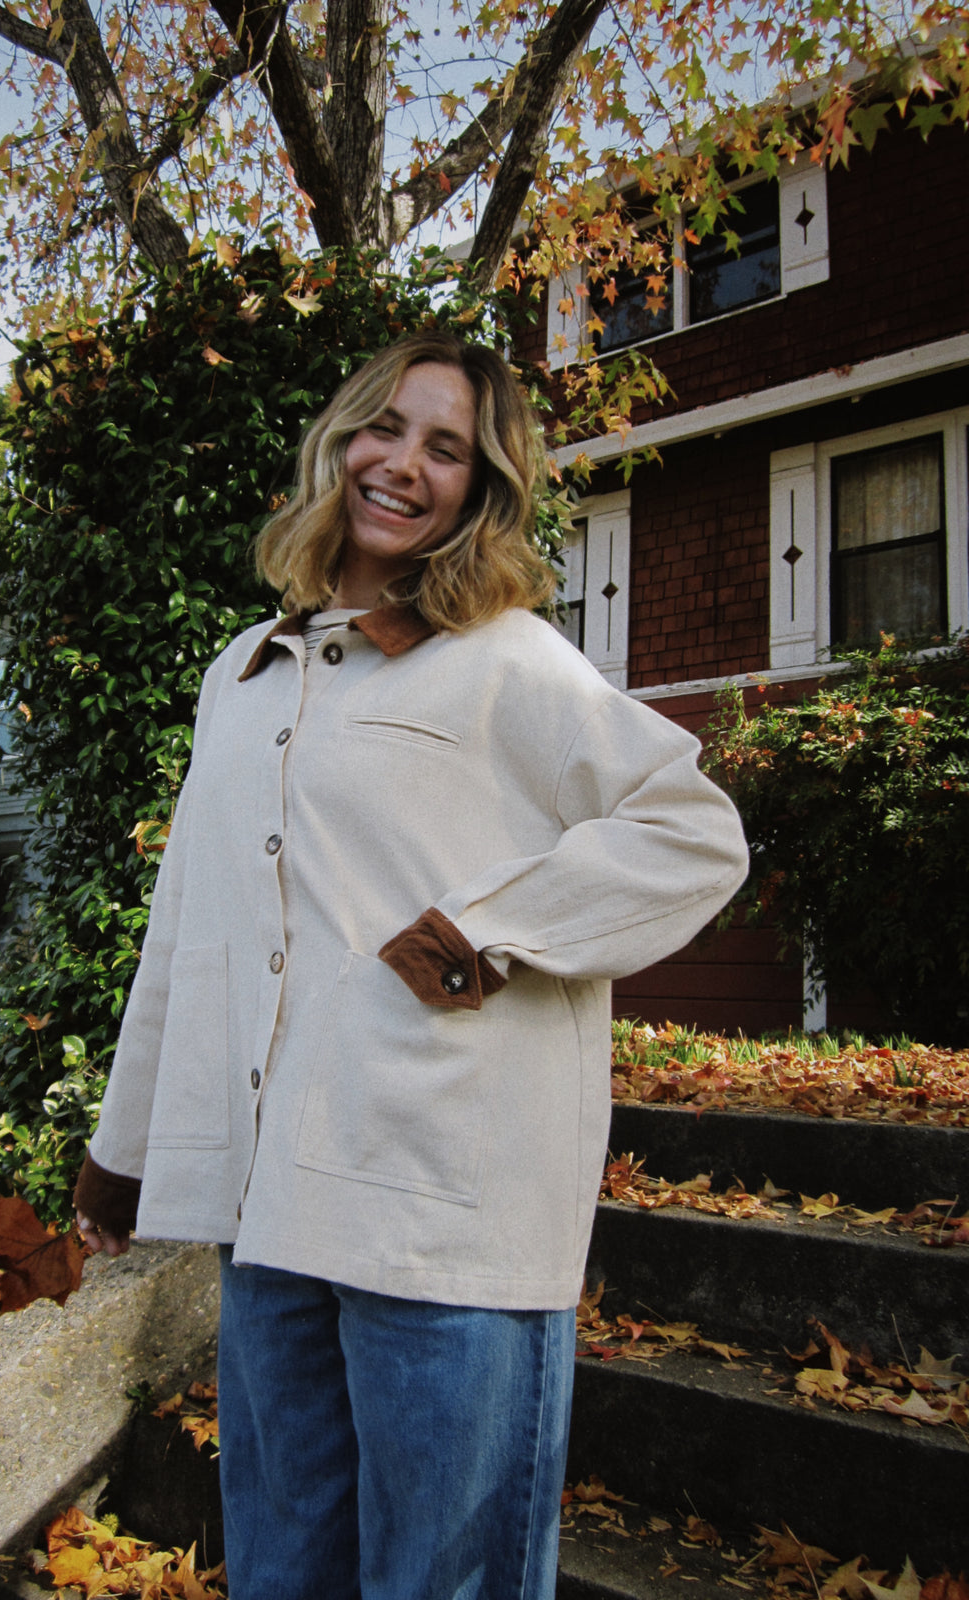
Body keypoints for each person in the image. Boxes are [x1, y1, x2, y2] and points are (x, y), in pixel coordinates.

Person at [74, 331, 748, 1600]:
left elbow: (690, 831)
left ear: (480, 491)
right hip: (272, 1208)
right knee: (284, 1567)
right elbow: (186, 928)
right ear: (338, 440)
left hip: (447, 1211)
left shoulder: (509, 658)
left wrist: (484, 930)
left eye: (446, 447)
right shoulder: (244, 671)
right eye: (385, 426)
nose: (402, 463)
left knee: (447, 1582)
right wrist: (124, 1151)